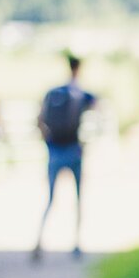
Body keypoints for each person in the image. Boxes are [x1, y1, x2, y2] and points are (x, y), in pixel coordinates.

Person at [34, 54, 96, 261]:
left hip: (54, 150)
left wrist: (48, 144)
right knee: (78, 197)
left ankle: (39, 241)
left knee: (50, 198)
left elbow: (39, 120)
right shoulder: (82, 94)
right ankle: (76, 243)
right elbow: (97, 113)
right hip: (73, 149)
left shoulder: (53, 92)